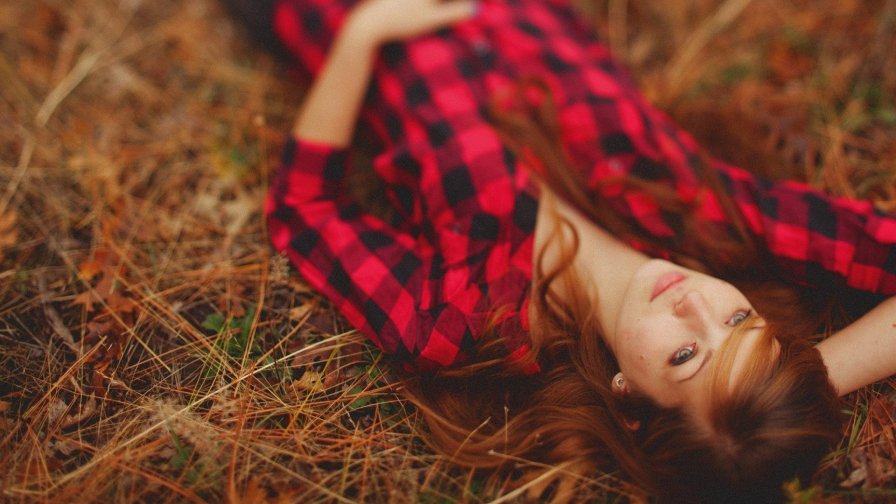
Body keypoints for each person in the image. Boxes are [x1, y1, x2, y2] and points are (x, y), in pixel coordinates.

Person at [226, 0, 896, 500]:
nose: (695, 305)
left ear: (627, 398)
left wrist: (364, 33)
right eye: (740, 322)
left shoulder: (466, 318)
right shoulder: (711, 216)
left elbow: (304, 212)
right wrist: (806, 381)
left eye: (685, 356)